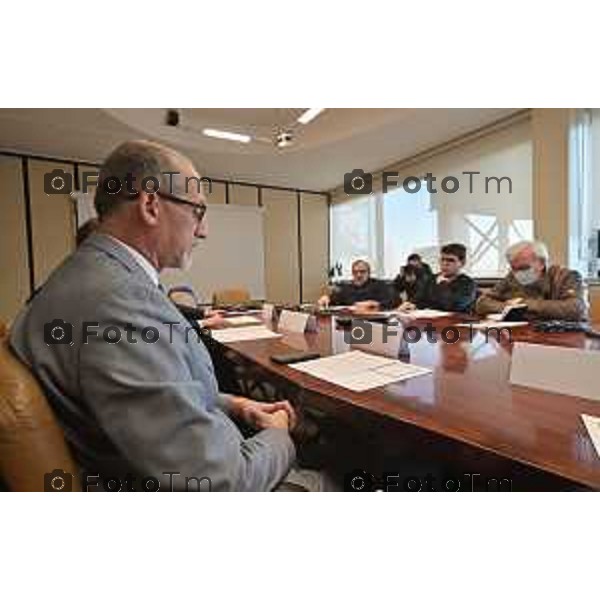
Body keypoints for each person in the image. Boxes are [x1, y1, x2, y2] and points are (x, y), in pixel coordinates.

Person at [10, 140, 301, 491]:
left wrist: (236, 404)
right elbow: (221, 484)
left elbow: (148, 391)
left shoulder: (86, 277)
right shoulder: (122, 303)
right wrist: (281, 435)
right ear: (150, 205)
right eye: (198, 211)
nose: (204, 230)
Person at [476, 240, 588, 321]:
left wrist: (525, 305)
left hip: (564, 337)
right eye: (513, 269)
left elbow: (576, 308)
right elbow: (482, 303)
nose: (517, 274)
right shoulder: (512, 277)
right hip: (526, 334)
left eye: (524, 268)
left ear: (542, 263)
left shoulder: (566, 276)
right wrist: (510, 308)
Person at [399, 243, 476, 313]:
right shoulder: (431, 279)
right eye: (442, 259)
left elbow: (452, 306)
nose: (445, 263)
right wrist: (410, 304)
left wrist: (443, 283)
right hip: (427, 322)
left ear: (462, 263)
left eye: (451, 260)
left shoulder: (468, 283)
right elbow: (418, 299)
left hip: (455, 324)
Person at [318, 259, 396, 310]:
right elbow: (334, 300)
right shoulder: (346, 288)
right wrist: (326, 298)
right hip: (349, 324)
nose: (358, 275)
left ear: (368, 273)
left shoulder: (379, 285)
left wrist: (375, 304)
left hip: (374, 323)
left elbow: (394, 301)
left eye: (362, 272)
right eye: (355, 272)